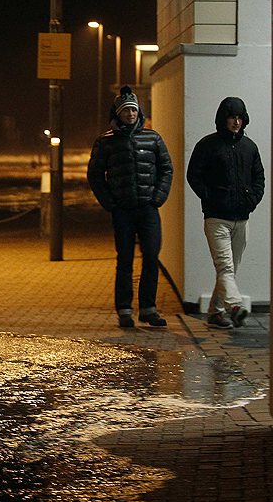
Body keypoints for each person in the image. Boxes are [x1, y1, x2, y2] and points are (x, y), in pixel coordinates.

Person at [88, 86, 174, 328]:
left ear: (139, 112)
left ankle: (148, 308)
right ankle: (124, 309)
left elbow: (167, 168)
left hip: (148, 208)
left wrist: (158, 197)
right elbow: (95, 174)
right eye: (126, 110)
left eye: (133, 110)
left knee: (151, 255)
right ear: (117, 114)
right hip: (123, 210)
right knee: (124, 258)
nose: (130, 114)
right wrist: (110, 203)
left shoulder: (153, 138)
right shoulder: (106, 142)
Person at [186, 97, 264, 329]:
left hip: (242, 217)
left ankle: (214, 314)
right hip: (216, 218)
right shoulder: (207, 145)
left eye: (240, 117)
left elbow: (259, 176)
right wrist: (209, 197)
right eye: (232, 117)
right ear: (224, 119)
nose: (236, 122)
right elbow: (194, 175)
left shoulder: (250, 147)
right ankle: (235, 307)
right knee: (225, 267)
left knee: (230, 268)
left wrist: (253, 199)